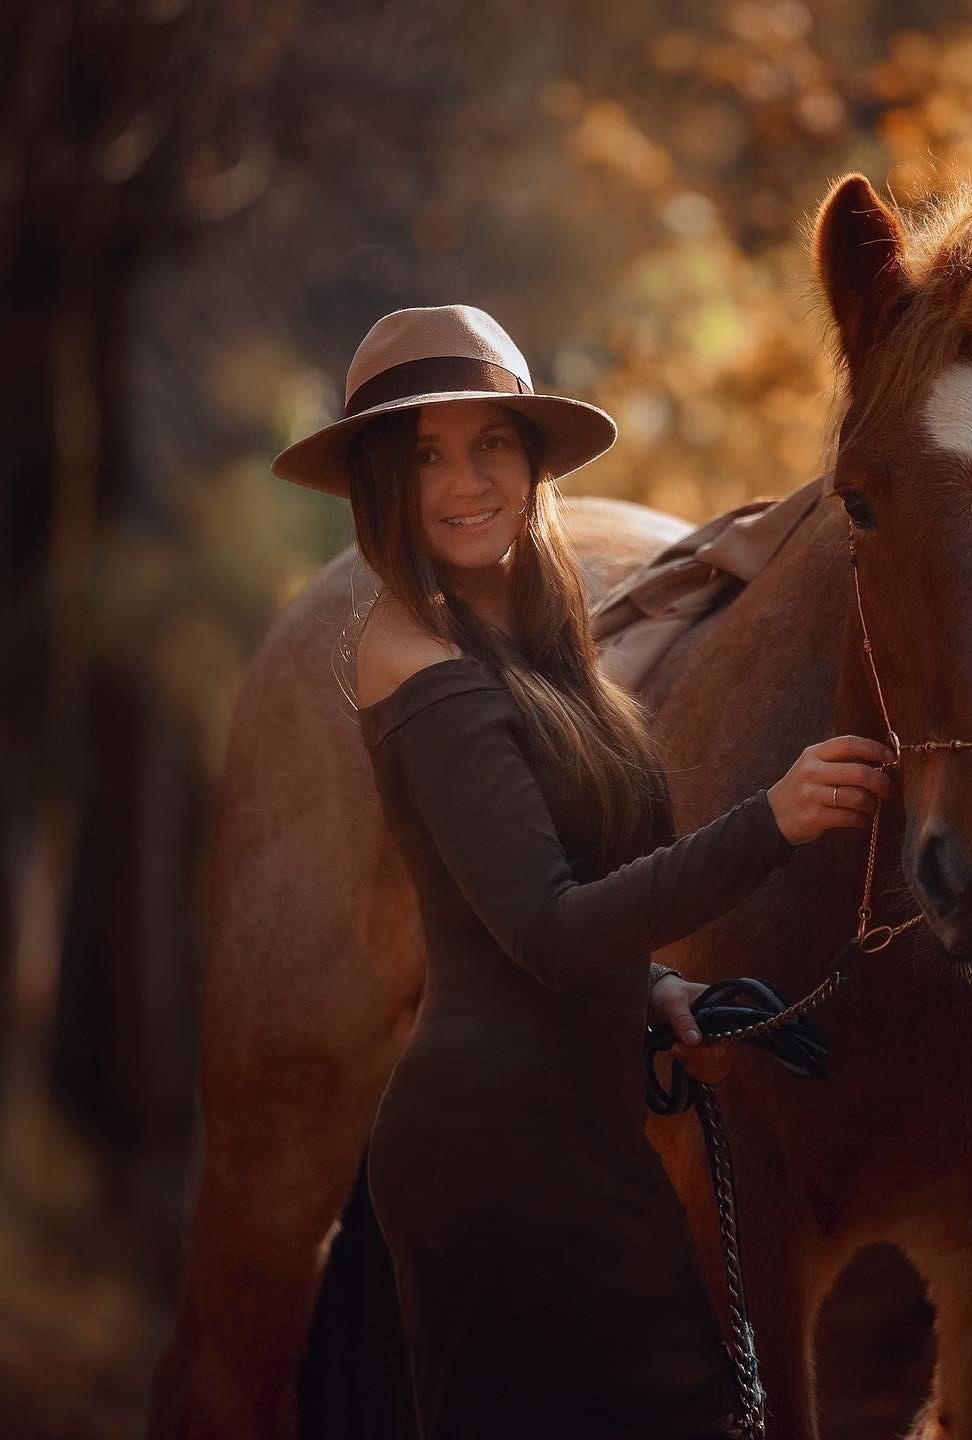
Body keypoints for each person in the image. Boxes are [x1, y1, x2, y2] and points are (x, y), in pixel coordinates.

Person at [270, 304, 892, 1439]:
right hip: (491, 1162)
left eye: (490, 443)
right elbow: (547, 930)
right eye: (425, 455)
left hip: (588, 1144)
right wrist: (776, 821)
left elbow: (561, 909)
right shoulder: (414, 655)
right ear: (380, 487)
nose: (466, 481)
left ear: (530, 459)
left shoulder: (546, 653)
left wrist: (658, 992)